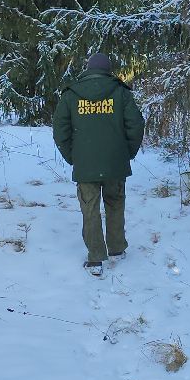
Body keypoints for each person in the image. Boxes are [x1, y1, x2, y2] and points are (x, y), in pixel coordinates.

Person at [52, 53, 145, 277]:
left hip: (86, 165)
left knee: (90, 209)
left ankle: (95, 259)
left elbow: (60, 131)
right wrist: (127, 153)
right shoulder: (121, 93)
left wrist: (73, 157)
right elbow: (136, 126)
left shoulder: (71, 95)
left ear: (88, 68)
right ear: (108, 69)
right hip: (115, 161)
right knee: (115, 203)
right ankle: (116, 249)